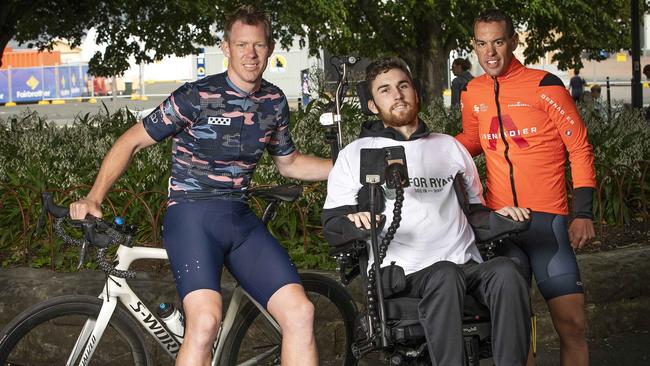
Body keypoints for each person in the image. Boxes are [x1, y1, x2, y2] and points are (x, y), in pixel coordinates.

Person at [69, 6, 331, 366]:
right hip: (191, 216)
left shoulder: (273, 102)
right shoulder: (196, 96)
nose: (250, 54)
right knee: (205, 321)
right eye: (241, 45)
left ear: (270, 48)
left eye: (258, 45)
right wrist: (94, 197)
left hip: (239, 220)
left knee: (300, 313)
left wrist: (344, 166)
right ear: (226, 48)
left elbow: (289, 164)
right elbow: (130, 141)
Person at [322, 56, 531, 365]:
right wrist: (355, 222)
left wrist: (503, 217)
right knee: (444, 275)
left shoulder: (450, 147)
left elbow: (475, 213)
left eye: (403, 85)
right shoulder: (356, 154)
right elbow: (332, 225)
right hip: (406, 272)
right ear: (372, 105)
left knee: (507, 272)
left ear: (415, 92)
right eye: (385, 90)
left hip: (465, 265)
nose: (397, 95)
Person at [456, 9, 596, 366]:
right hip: (501, 225)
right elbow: (469, 143)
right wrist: (423, 147)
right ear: (474, 45)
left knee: (573, 325)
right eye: (482, 44)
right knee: (516, 334)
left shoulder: (545, 85)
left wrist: (583, 212)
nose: (490, 53)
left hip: (547, 225)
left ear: (513, 42)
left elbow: (578, 147)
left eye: (498, 42)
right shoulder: (472, 92)